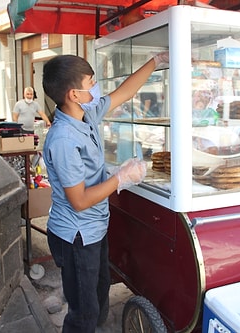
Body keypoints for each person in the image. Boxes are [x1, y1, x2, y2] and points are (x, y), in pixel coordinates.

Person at [42, 52, 168, 333]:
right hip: (76, 235)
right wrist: (120, 177)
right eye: (91, 82)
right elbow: (79, 200)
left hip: (95, 228)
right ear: (74, 93)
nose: (96, 86)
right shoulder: (63, 139)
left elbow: (123, 93)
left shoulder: (86, 114)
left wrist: (156, 61)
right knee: (82, 312)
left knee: (99, 294)